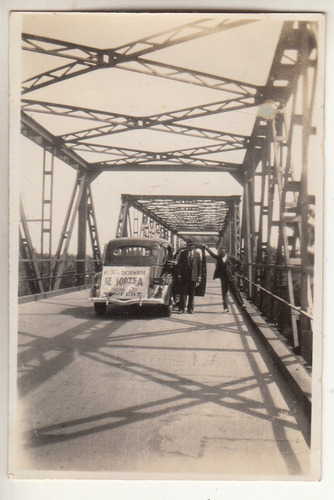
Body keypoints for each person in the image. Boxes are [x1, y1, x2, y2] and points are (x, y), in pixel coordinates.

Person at [176, 241, 202, 314]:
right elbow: (179, 265)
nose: (190, 247)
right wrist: (179, 275)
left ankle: (190, 309)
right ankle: (181, 309)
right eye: (188, 245)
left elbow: (199, 266)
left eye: (191, 245)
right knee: (183, 293)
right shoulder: (183, 253)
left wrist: (199, 277)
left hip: (193, 277)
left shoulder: (197, 254)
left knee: (192, 294)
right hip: (184, 277)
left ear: (194, 246)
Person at [204, 245, 231, 313]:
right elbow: (212, 255)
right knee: (224, 293)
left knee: (236, 291)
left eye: (222, 250)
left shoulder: (230, 257)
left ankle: (242, 303)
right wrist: (207, 248)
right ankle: (226, 308)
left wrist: (235, 270)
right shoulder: (219, 257)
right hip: (223, 278)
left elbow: (238, 262)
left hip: (231, 277)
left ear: (225, 251)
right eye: (220, 250)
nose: (220, 252)